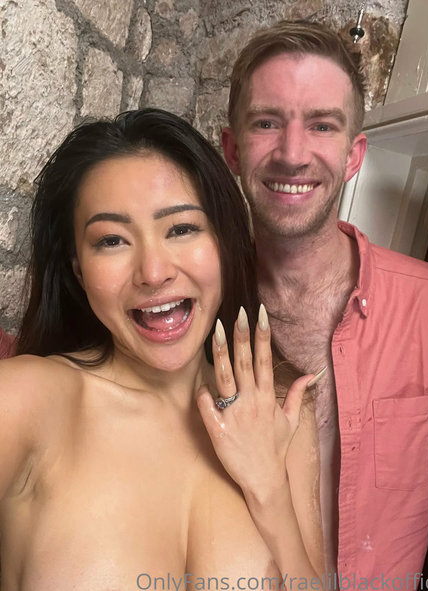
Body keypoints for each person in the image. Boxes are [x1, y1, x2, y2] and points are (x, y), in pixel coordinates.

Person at [0, 108, 325, 589]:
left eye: (181, 229)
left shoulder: (280, 409)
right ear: (78, 269)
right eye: (112, 240)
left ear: (225, 241)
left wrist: (269, 490)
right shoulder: (24, 400)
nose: (153, 272)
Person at [221, 20, 428, 582]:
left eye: (322, 125)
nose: (293, 153)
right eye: (266, 122)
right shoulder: (193, 315)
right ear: (232, 149)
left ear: (354, 155)